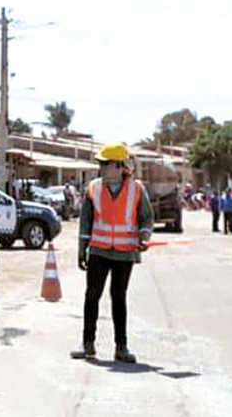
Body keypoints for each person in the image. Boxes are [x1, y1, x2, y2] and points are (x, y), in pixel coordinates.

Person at [70, 142, 154, 364]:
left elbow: (146, 218)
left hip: (124, 253)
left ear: (120, 166)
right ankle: (87, 344)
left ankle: (121, 347)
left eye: (106, 164)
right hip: (99, 251)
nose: (102, 168)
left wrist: (144, 237)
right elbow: (85, 223)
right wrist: (82, 251)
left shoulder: (137, 190)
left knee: (119, 298)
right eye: (101, 164)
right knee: (92, 296)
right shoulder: (93, 188)